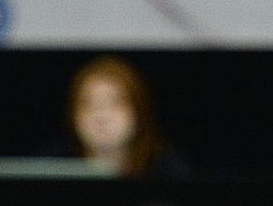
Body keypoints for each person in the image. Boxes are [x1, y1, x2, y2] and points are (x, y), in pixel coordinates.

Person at [38, 56, 189, 179]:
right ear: (72, 116)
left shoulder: (169, 172)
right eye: (88, 104)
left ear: (139, 112)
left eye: (115, 103)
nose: (101, 116)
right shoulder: (47, 170)